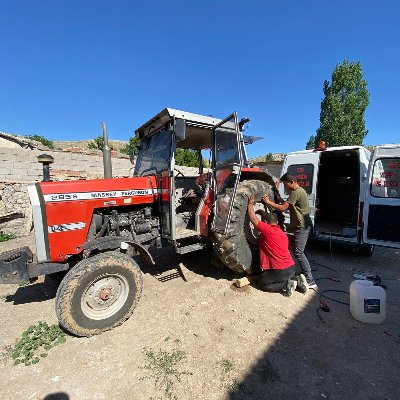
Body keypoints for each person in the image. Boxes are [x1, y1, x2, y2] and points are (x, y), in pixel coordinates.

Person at [262, 172, 316, 288]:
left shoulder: (296, 192)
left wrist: (268, 202)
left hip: (302, 226)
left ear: (292, 182)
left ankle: (310, 280)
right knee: (300, 251)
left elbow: (282, 208)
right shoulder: (299, 191)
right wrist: (280, 199)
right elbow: (289, 205)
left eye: (285, 184)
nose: (285, 187)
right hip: (303, 225)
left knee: (298, 252)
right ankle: (305, 273)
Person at [247, 194, 308, 296]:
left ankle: (286, 284)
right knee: (269, 275)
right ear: (277, 222)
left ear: (266, 222)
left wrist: (250, 204)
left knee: (263, 283)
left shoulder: (267, 230)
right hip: (291, 268)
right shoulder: (283, 235)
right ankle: (296, 279)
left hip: (280, 270)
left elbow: (254, 219)